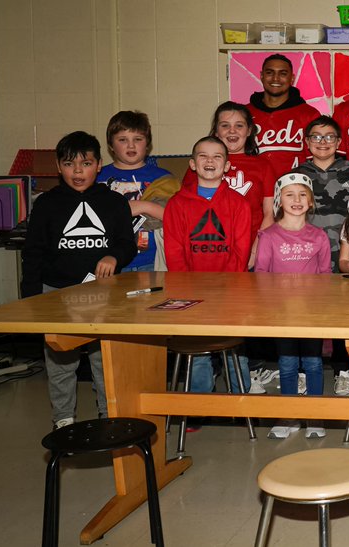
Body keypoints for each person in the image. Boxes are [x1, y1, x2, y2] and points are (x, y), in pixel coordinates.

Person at [22, 131, 136, 429]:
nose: (77, 171)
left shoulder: (114, 202)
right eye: (69, 164)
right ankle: (64, 419)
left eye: (85, 163)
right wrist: (32, 299)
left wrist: (114, 257)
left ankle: (108, 416)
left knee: (104, 361)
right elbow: (32, 252)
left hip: (104, 296)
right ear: (59, 167)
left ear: (99, 165)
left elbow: (127, 243)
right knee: (60, 361)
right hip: (56, 294)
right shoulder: (46, 204)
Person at [163, 136, 254, 401]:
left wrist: (228, 285)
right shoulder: (177, 204)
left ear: (227, 166)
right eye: (203, 156)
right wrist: (188, 287)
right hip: (191, 292)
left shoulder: (238, 203)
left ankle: (242, 402)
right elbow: (175, 252)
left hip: (231, 291)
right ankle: (199, 405)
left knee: (235, 347)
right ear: (192, 164)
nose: (210, 161)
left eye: (217, 156)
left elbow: (240, 250)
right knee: (199, 350)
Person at [254, 172, 332, 439]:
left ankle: (315, 416)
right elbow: (261, 272)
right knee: (287, 364)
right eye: (290, 194)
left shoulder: (319, 235)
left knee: (313, 364)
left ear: (311, 202)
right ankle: (288, 415)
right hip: (282, 312)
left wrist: (321, 309)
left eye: (302, 195)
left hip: (310, 313)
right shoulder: (269, 236)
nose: (296, 200)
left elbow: (325, 276)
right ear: (279, 200)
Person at [296, 115, 349, 395]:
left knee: (343, 315)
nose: (323, 142)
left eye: (329, 137)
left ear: (339, 142)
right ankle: (303, 370)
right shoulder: (297, 175)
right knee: (305, 314)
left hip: (344, 253)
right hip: (305, 255)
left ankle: (343, 370)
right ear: (307, 142)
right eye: (316, 137)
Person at [182, 102, 276, 244]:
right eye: (225, 125)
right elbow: (185, 209)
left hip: (250, 246)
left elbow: (269, 213)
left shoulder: (263, 166)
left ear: (249, 131)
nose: (232, 131)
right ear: (216, 132)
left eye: (239, 125)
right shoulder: (201, 164)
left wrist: (256, 250)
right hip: (208, 246)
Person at [97, 110, 174, 273]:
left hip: (152, 260)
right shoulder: (97, 177)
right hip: (107, 261)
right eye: (122, 140)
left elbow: (177, 219)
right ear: (111, 145)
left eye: (138, 139)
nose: (131, 145)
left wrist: (144, 206)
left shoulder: (163, 178)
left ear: (148, 144)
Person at [247, 53, 321, 173]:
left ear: (292, 78)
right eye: (270, 73)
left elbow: (316, 160)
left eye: (283, 74)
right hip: (254, 187)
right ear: (261, 76)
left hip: (295, 187)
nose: (275, 79)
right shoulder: (244, 114)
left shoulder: (309, 115)